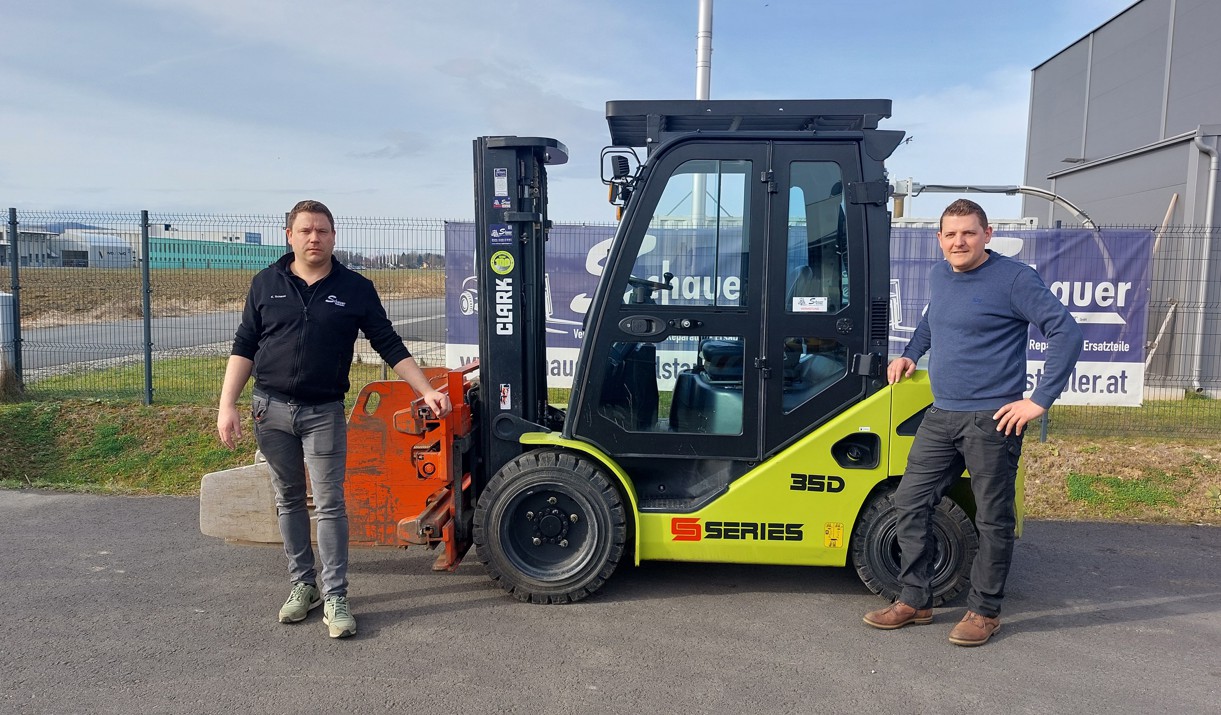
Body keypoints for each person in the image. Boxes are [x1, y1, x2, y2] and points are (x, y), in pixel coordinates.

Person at [216, 199, 450, 639]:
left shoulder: (355, 288)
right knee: (288, 498)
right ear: (289, 236)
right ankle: (302, 585)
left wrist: (426, 390)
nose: (314, 238)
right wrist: (227, 405)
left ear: (333, 237)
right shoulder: (266, 283)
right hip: (270, 410)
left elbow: (388, 343)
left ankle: (336, 594)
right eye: (305, 230)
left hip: (323, 413)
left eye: (322, 231)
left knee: (329, 504)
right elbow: (245, 344)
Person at [863, 199, 1082, 646]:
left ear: (987, 234)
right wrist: (911, 353)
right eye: (951, 234)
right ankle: (915, 599)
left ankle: (984, 612)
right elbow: (932, 320)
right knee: (910, 500)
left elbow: (1066, 332)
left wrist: (1039, 401)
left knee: (992, 518)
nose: (959, 241)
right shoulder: (940, 275)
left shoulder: (1015, 279)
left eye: (968, 232)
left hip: (993, 421)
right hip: (942, 413)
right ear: (939, 239)